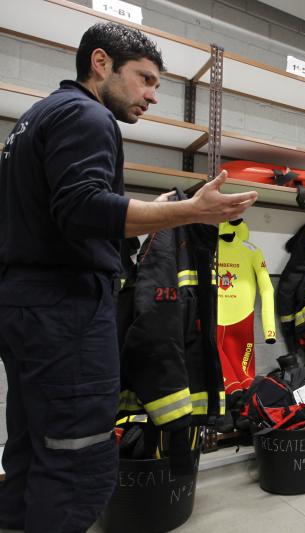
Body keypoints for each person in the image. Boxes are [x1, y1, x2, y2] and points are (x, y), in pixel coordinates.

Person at [0, 22, 258, 532]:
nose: (152, 95)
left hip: (25, 305)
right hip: (65, 308)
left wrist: (149, 212)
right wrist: (189, 212)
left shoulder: (35, 118)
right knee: (77, 464)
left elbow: (58, 215)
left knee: (33, 447)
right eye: (145, 79)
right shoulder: (88, 115)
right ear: (101, 63)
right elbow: (82, 209)